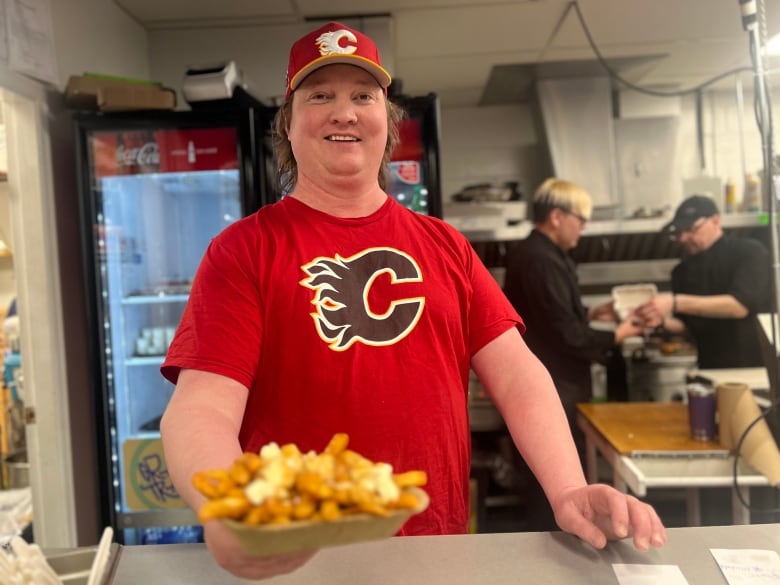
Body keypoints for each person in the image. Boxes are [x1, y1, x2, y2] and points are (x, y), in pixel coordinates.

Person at [159, 21, 666, 581]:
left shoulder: (444, 245)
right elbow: (202, 409)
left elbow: (520, 376)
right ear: (289, 121)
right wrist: (232, 510)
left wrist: (570, 488)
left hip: (436, 552)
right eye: (319, 95)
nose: (343, 111)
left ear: (387, 119)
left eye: (363, 95)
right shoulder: (243, 250)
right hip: (298, 556)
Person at [502, 178, 644, 530]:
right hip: (552, 385)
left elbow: (555, 319)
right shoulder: (539, 259)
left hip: (556, 382)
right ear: (556, 216)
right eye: (581, 219)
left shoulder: (546, 256)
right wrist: (619, 334)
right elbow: (564, 334)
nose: (583, 227)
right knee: (551, 484)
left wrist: (594, 315)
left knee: (554, 479)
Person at [635, 194, 771, 369]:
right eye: (679, 232)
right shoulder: (681, 272)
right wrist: (658, 320)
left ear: (715, 220)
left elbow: (739, 306)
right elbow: (688, 328)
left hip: (755, 367)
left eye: (691, 229)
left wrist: (674, 302)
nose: (683, 238)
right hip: (710, 368)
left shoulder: (749, 252)